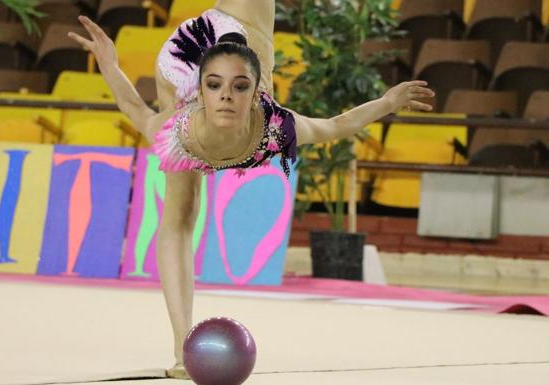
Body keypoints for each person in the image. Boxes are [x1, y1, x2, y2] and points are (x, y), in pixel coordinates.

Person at [68, 0, 434, 379]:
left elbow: (335, 126)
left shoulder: (275, 126)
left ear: (256, 90)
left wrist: (386, 103)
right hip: (180, 63)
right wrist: (109, 64)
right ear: (202, 91)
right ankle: (182, 347)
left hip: (237, 50)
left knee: (246, 43)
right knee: (178, 215)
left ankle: (235, 75)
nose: (226, 97)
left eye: (241, 88)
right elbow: (135, 109)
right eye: (214, 88)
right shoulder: (179, 130)